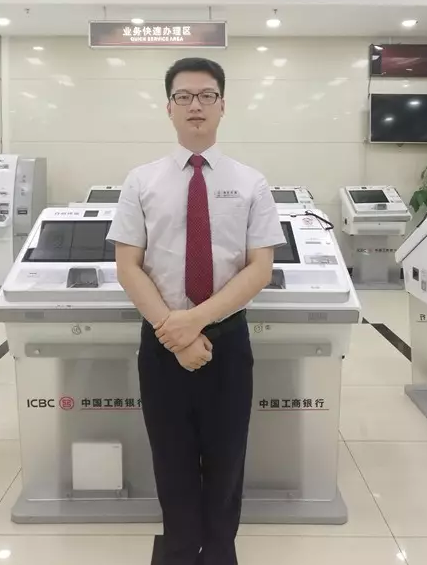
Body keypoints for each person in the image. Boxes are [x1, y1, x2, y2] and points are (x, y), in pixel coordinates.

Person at [107, 57, 285, 565]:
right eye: (183, 96)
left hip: (227, 341)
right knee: (171, 458)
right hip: (162, 342)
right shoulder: (141, 181)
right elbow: (128, 265)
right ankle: (182, 549)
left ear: (223, 105)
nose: (195, 106)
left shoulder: (251, 182)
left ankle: (220, 550)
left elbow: (259, 268)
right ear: (169, 108)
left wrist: (193, 322)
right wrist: (175, 331)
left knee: (227, 457)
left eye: (207, 95)